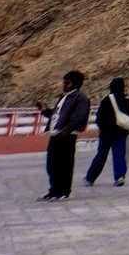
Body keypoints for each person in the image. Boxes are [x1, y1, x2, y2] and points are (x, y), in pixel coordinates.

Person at [41, 71, 87, 202]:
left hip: (67, 136)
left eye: (67, 82)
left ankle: (64, 191)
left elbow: (78, 117)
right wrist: (44, 111)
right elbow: (57, 115)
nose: (64, 84)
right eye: (64, 82)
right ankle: (54, 190)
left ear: (76, 84)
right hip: (55, 135)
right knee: (52, 165)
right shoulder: (63, 97)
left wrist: (66, 130)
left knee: (64, 165)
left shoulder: (80, 98)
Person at [85, 76, 129, 188]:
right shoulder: (128, 99)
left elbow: (100, 117)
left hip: (106, 133)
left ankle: (90, 178)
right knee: (119, 155)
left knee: (101, 156)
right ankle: (120, 176)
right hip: (121, 132)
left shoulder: (107, 99)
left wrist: (103, 128)